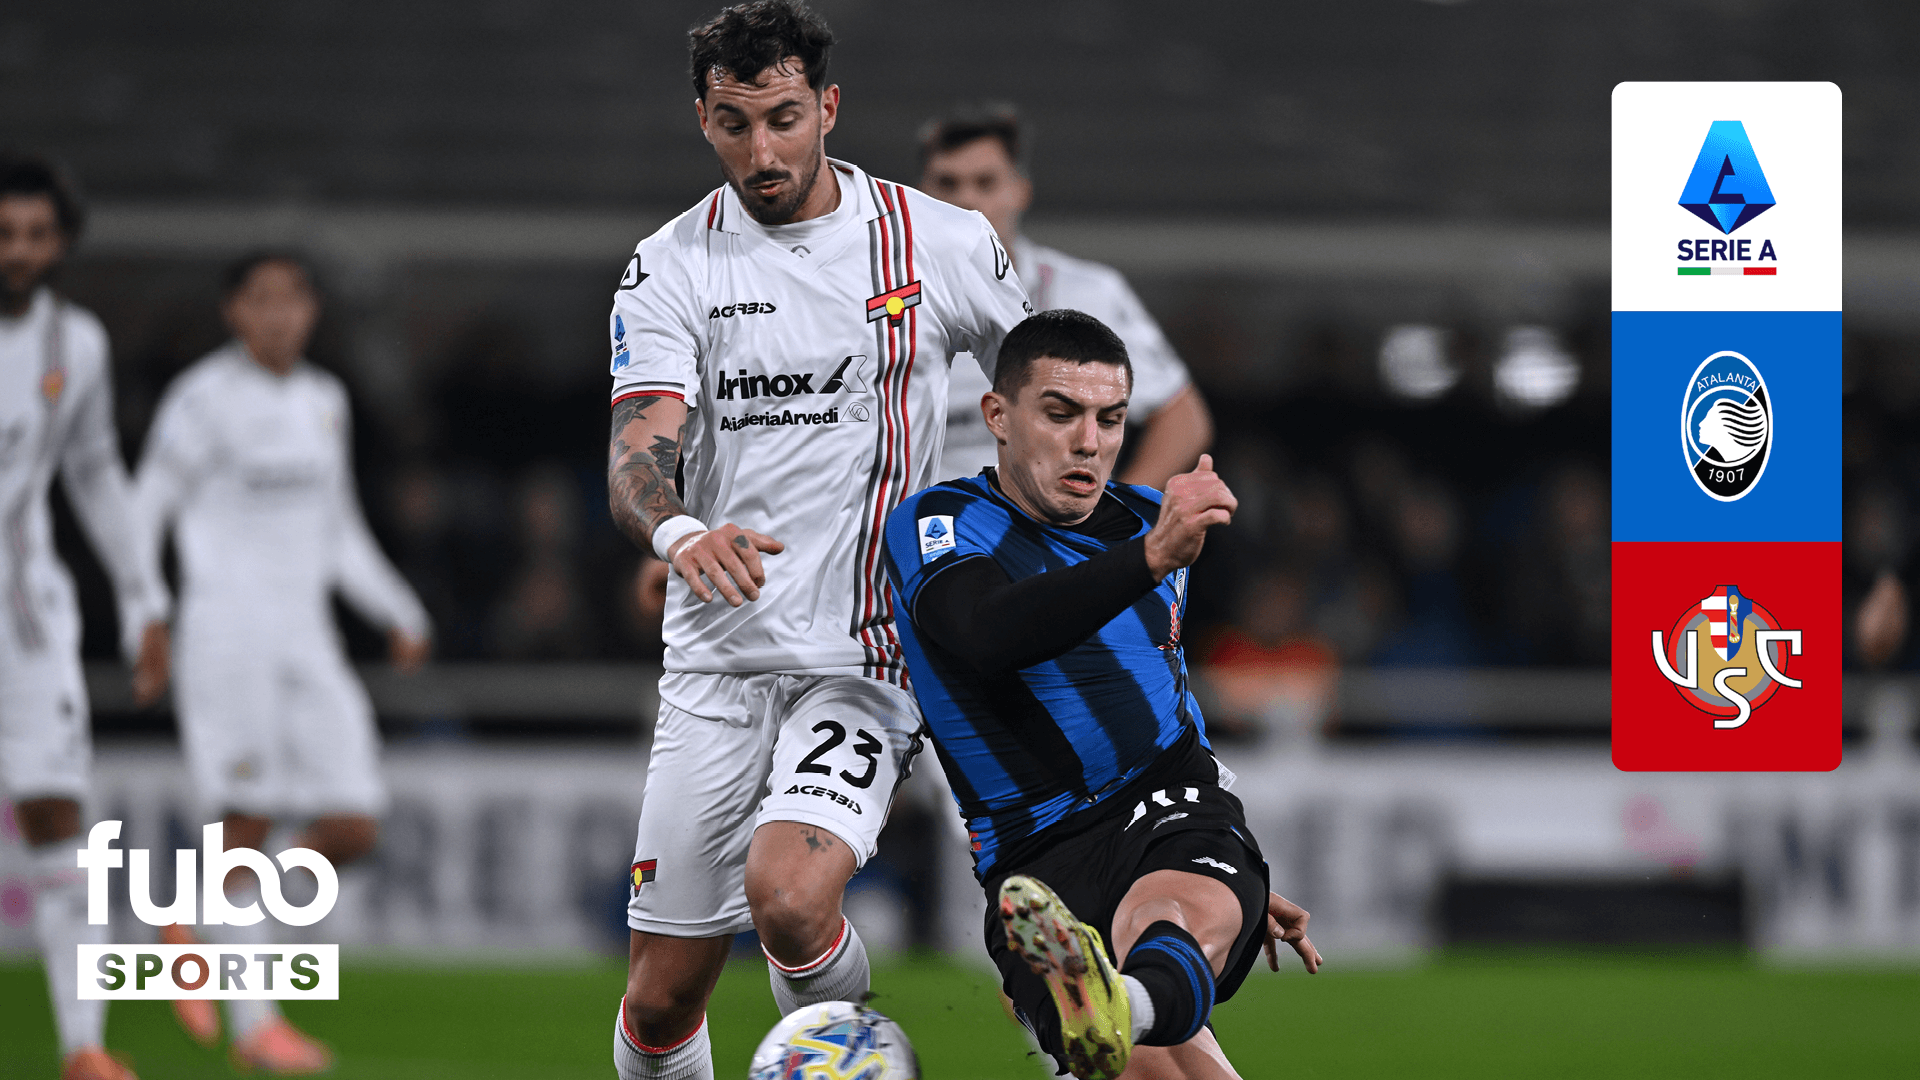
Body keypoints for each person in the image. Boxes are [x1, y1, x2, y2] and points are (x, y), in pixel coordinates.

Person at [603, 4, 1032, 1077]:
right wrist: (681, 531)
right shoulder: (670, 266)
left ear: (828, 108)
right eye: (734, 123)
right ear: (702, 120)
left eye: (784, 118)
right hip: (715, 662)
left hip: (864, 653)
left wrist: (1037, 549)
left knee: (790, 900)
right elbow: (637, 452)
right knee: (659, 1004)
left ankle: (850, 1058)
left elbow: (1041, 394)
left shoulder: (937, 242)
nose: (763, 151)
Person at [882, 311, 1321, 1080]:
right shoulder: (939, 521)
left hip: (1170, 809)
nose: (1088, 441)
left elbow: (1161, 691)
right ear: (998, 416)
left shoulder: (1151, 521)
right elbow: (987, 633)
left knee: (1163, 913)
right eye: (1061, 413)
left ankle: (1129, 995)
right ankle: (1125, 997)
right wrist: (1148, 559)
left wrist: (1228, 874)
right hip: (1034, 871)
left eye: (1110, 419)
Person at [136, 252, 432, 1075]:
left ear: (311, 312)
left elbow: (338, 528)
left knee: (354, 823)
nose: (277, 314)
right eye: (260, 299)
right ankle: (257, 1025)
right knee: (248, 821)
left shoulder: (324, 399)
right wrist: (145, 612)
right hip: (226, 636)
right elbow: (144, 508)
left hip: (308, 638)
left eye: (292, 299)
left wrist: (398, 609)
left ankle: (191, 914)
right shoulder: (202, 399)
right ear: (233, 311)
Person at [0, 151, 171, 1080]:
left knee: (56, 809)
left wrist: (145, 601)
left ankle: (83, 1048)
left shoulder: (76, 345)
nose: (19, 252)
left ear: (61, 242)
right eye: (4, 235)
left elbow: (97, 475)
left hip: (22, 611)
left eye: (36, 235)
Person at [919, 105, 1213, 489]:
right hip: (926, 524)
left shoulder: (1089, 293)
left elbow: (1183, 420)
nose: (966, 200)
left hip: (1053, 526)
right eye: (947, 183)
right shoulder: (881, 297)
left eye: (985, 183)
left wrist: (1115, 516)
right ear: (919, 195)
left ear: (1020, 192)